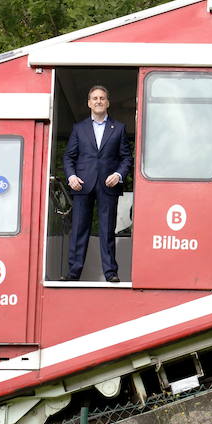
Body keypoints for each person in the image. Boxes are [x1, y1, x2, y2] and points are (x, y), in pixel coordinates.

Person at [64, 85, 133, 282]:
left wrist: (119, 175)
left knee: (107, 230)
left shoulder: (118, 128)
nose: (98, 101)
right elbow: (69, 157)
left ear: (107, 102)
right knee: (78, 230)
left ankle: (111, 273)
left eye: (102, 98)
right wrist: (71, 177)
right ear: (89, 103)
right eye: (94, 98)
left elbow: (126, 158)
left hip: (108, 185)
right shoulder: (79, 128)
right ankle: (73, 273)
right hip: (82, 185)